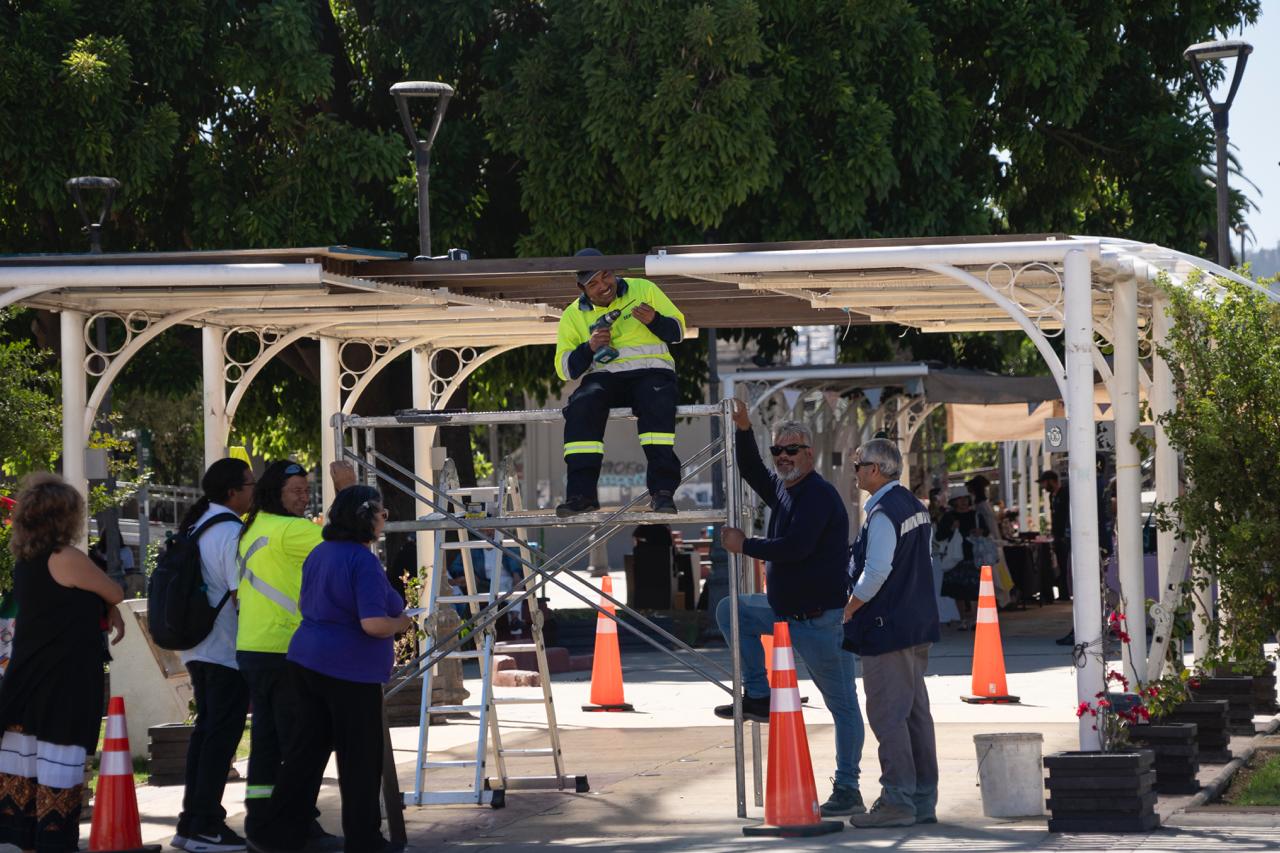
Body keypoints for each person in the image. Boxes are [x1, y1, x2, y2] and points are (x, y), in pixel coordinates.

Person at [714, 399, 866, 817]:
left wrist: (744, 545)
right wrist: (744, 428)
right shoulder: (784, 488)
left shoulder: (817, 495)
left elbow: (797, 549)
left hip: (820, 621)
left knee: (843, 706)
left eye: (791, 450)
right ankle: (760, 694)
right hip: (782, 612)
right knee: (732, 610)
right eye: (777, 450)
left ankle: (849, 786)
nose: (783, 457)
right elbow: (749, 470)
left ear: (809, 454)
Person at [247, 486, 411, 853]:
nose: (384, 520)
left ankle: (275, 833)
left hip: (307, 661)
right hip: (349, 670)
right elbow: (372, 623)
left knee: (306, 753)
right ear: (366, 516)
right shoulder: (362, 560)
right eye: (382, 513)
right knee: (359, 759)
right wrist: (403, 624)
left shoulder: (320, 553)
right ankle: (364, 839)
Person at [0, 473, 125, 852]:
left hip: (25, 686)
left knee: (19, 794)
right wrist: (108, 606)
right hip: (59, 690)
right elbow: (115, 591)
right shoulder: (65, 557)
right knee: (58, 790)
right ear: (64, 517)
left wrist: (104, 606)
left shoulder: (27, 560)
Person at [237, 460, 355, 841]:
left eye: (307, 490)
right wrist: (348, 490)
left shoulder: (252, 526)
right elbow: (349, 542)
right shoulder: (293, 530)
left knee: (268, 743)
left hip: (253, 646)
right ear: (276, 493)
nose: (304, 497)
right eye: (296, 491)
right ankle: (300, 824)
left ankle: (261, 822)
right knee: (303, 744)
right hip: (287, 648)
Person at [842, 439, 940, 828]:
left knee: (888, 714)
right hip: (915, 625)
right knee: (915, 714)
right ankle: (922, 798)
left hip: (887, 629)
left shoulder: (882, 512)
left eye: (858, 465)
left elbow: (877, 571)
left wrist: (851, 606)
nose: (856, 472)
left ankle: (898, 799)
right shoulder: (915, 507)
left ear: (875, 470)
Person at [553, 247, 686, 516]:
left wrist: (655, 320)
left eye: (606, 276)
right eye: (593, 283)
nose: (603, 286)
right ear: (582, 288)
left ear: (614, 272)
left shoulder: (644, 289)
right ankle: (581, 496)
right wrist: (589, 347)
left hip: (652, 372)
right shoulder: (572, 315)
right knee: (582, 404)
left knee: (657, 401)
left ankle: (662, 493)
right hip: (606, 378)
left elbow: (678, 332)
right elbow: (565, 369)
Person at [173, 459, 256, 853]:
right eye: (249, 485)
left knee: (206, 734)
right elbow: (242, 594)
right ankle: (205, 823)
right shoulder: (228, 530)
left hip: (196, 645)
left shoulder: (197, 524)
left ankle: (192, 822)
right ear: (232, 492)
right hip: (223, 648)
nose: (254, 491)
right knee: (219, 738)